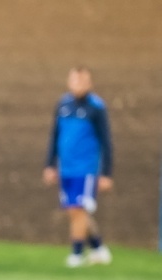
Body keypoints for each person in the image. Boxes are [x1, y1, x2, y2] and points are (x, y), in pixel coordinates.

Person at [43, 66, 114, 268]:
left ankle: (77, 254)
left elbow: (106, 141)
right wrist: (50, 164)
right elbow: (55, 135)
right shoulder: (63, 105)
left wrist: (106, 173)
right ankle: (98, 248)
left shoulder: (96, 107)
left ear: (89, 83)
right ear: (69, 82)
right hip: (66, 168)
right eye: (75, 80)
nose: (78, 84)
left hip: (86, 168)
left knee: (77, 209)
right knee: (75, 211)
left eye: (82, 81)